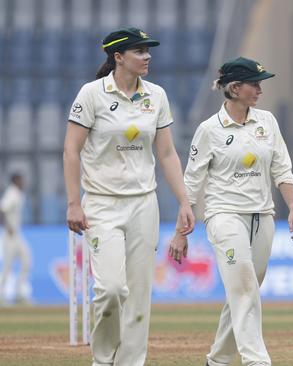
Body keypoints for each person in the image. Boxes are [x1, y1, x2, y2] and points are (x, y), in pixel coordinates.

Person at [63, 27, 194, 366]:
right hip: (101, 204)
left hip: (143, 205)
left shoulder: (157, 96)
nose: (147, 56)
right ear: (118, 57)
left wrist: (184, 201)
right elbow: (71, 150)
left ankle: (130, 362)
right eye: (139, 51)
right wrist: (74, 202)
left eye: (148, 50)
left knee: (137, 297)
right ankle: (103, 359)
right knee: (110, 290)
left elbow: (166, 154)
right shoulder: (91, 94)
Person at [169, 56, 293, 366]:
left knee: (245, 289)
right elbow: (192, 182)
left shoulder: (267, 122)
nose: (259, 89)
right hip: (224, 215)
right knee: (243, 286)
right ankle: (257, 360)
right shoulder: (209, 130)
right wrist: (180, 233)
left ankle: (216, 361)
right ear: (233, 88)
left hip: (263, 216)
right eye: (254, 84)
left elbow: (282, 167)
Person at [0, 173, 32, 306]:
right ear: (15, 181)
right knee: (7, 266)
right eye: (21, 180)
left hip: (17, 235)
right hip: (10, 236)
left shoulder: (18, 193)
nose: (23, 182)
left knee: (26, 260)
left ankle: (19, 294)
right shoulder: (11, 193)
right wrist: (7, 226)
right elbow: (1, 209)